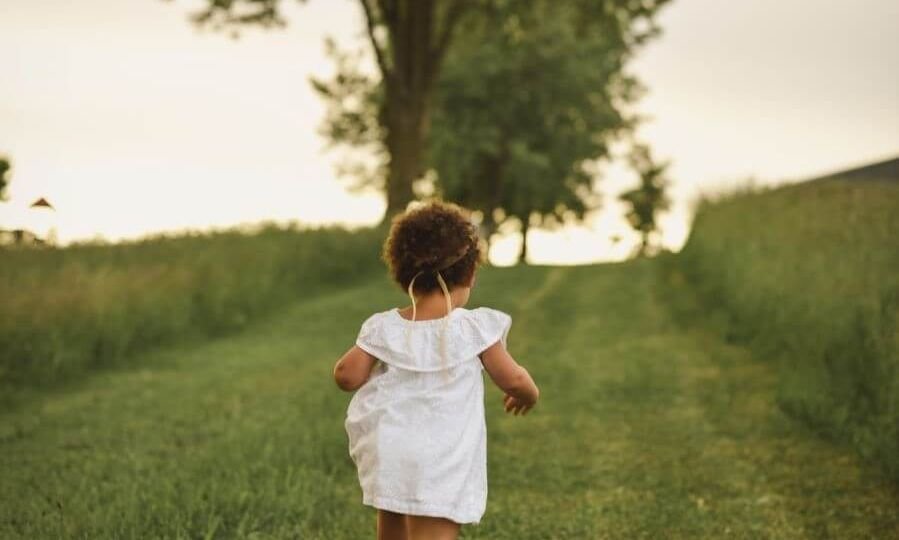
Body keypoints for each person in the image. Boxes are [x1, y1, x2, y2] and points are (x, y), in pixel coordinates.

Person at [333, 201, 541, 540]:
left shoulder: (383, 328)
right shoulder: (473, 328)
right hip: (441, 457)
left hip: (392, 450)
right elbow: (513, 378)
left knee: (394, 530)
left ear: (402, 276)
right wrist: (529, 392)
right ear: (470, 274)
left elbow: (347, 376)